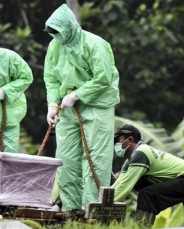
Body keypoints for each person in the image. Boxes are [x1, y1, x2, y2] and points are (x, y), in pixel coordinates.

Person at [43, 4, 120, 213]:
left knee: (95, 159)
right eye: (52, 32)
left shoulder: (95, 44)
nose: (55, 36)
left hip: (97, 105)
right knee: (66, 158)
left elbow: (103, 78)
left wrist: (78, 94)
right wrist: (52, 104)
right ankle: (70, 209)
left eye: (57, 32)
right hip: (67, 108)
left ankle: (92, 208)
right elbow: (50, 77)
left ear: (69, 27)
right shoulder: (54, 46)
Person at [112, 124, 184, 227]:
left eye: (119, 141)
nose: (116, 145)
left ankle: (141, 227)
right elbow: (119, 183)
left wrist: (99, 207)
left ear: (130, 140)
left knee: (148, 195)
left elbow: (125, 186)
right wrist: (101, 200)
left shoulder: (141, 153)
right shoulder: (130, 161)